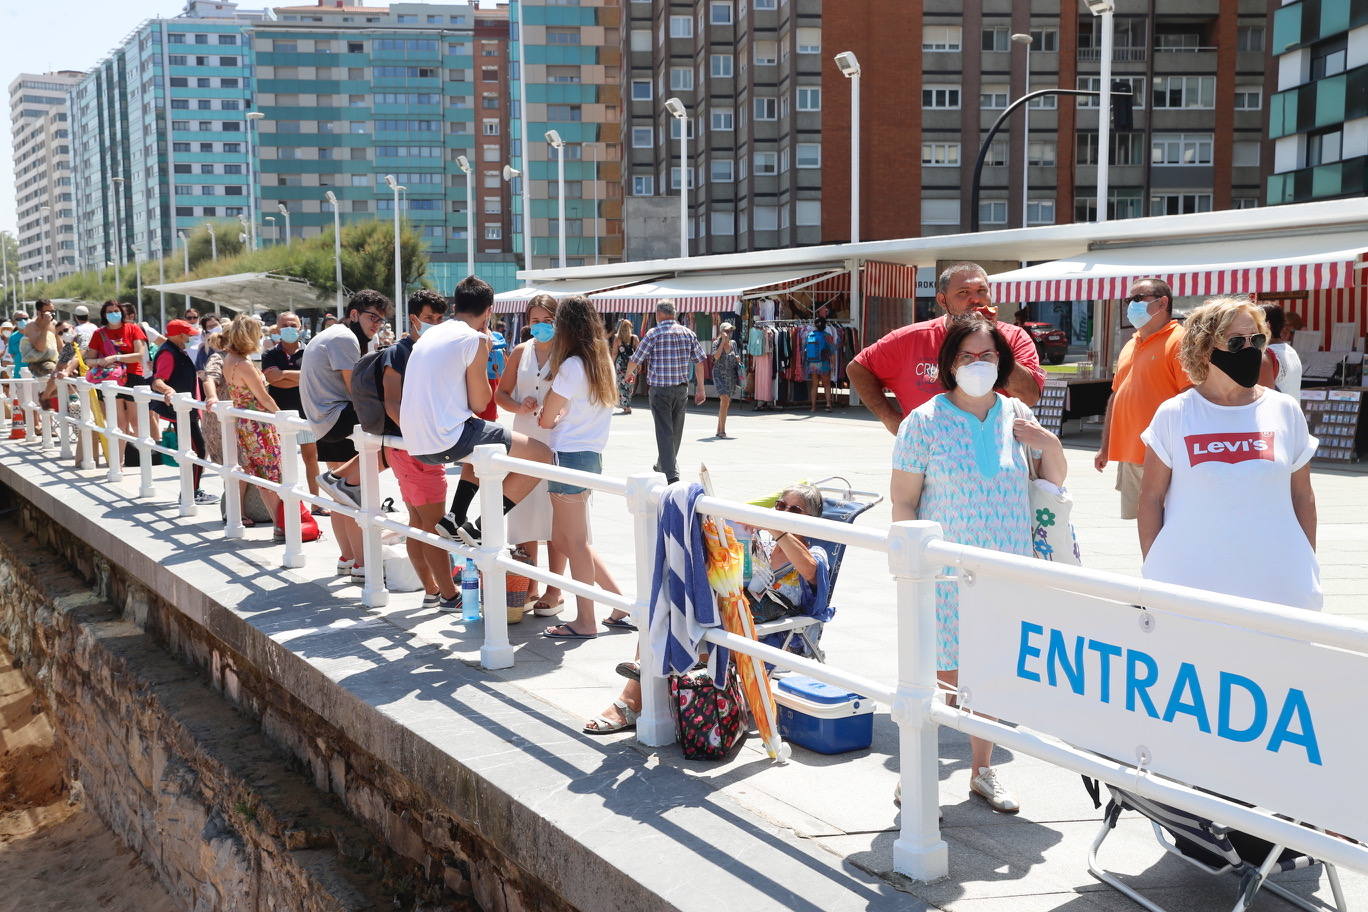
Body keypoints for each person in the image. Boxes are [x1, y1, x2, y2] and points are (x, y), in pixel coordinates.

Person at [890, 315, 1067, 814]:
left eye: (986, 355)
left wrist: (1049, 445)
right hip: (943, 571)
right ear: (948, 362)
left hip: (1006, 565)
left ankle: (981, 770)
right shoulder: (922, 421)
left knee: (989, 673)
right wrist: (910, 566)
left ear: (1002, 362)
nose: (976, 364)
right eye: (966, 355)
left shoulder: (1017, 414)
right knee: (942, 675)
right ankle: (917, 771)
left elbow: (1052, 482)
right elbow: (903, 500)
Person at [1138, 298, 1320, 610]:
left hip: (1278, 584)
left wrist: (1306, 562)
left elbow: (1303, 496)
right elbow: (1151, 499)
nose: (1250, 349)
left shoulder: (1284, 410)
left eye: (1257, 339)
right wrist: (1156, 569)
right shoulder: (1175, 414)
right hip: (1193, 584)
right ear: (1205, 348)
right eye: (1236, 342)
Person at [399, 275, 554, 547]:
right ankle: (484, 525)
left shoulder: (430, 333)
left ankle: (455, 516)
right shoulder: (474, 340)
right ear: (489, 310)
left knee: (480, 438)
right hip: (446, 438)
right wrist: (483, 351)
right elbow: (481, 403)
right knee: (542, 456)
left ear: (455, 305)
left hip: (414, 441)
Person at [849, 263, 1045, 434]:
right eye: (963, 293)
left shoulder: (1013, 337)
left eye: (981, 291)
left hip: (998, 454)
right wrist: (890, 419)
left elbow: (1029, 397)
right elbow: (858, 368)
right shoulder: (910, 339)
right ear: (943, 301)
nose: (975, 299)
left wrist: (994, 340)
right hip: (927, 457)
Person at [535, 295, 631, 639]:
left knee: (572, 542)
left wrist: (552, 415)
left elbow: (547, 418)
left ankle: (586, 620)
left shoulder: (571, 366)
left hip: (568, 457)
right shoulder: (601, 359)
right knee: (568, 538)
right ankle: (619, 602)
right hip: (590, 457)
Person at [376, 290, 460, 611]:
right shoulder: (401, 352)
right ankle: (449, 595)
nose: (436, 325)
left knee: (418, 521)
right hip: (414, 448)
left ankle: (431, 590)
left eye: (440, 319)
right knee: (435, 524)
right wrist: (419, 437)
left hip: (417, 447)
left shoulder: (434, 349)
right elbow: (392, 401)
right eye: (429, 319)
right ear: (413, 319)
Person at [301, 290, 391, 576]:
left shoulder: (335, 334)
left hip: (323, 422)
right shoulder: (344, 338)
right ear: (354, 314)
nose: (376, 324)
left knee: (340, 497)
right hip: (339, 418)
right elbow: (358, 390)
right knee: (356, 491)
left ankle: (348, 558)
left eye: (380, 319)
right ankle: (365, 565)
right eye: (371, 317)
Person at [1093, 278, 1190, 521]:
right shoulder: (1131, 343)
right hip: (1130, 454)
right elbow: (1117, 396)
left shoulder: (1179, 341)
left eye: (1138, 299)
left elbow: (1192, 399)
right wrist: (1105, 446)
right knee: (1144, 525)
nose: (1131, 305)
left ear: (1162, 303)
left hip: (1164, 456)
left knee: (1168, 524)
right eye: (1129, 300)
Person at [494, 294, 566, 617]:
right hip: (524, 438)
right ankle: (529, 584)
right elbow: (500, 395)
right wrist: (517, 405)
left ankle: (555, 588)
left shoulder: (567, 353)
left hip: (555, 440)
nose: (540, 327)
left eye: (546, 320)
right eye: (535, 320)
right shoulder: (521, 352)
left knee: (555, 516)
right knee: (524, 514)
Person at [622, 301, 707, 484]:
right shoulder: (688, 333)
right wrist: (700, 388)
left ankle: (671, 475)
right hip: (681, 390)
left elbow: (635, 359)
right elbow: (700, 361)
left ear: (659, 314)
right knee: (675, 432)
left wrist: (629, 375)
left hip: (660, 391)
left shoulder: (654, 333)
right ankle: (663, 465)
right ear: (674, 314)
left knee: (664, 433)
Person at [220, 317, 284, 532]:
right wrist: (282, 417)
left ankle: (279, 524)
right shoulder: (244, 364)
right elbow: (263, 398)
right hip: (259, 424)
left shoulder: (229, 359)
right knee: (271, 474)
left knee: (261, 474)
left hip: (245, 423)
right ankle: (281, 525)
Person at [262, 311, 327, 513]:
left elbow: (311, 378)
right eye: (285, 325)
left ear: (300, 327)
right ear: (278, 329)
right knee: (280, 460)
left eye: (293, 325)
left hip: (305, 412)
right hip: (279, 414)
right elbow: (272, 380)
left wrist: (283, 375)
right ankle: (286, 506)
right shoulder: (269, 354)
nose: (289, 328)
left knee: (311, 458)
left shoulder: (310, 352)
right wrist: (297, 376)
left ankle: (316, 502)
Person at [149, 319, 217, 505]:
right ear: (179, 335)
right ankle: (191, 492)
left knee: (194, 450)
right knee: (198, 450)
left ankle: (191, 490)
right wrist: (168, 391)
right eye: (187, 334)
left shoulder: (174, 349)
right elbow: (157, 381)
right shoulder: (169, 353)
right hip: (181, 411)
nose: (189, 337)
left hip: (186, 410)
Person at [86, 300, 148, 466]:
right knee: (119, 422)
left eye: (116, 310)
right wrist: (102, 361)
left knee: (136, 421)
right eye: (109, 311)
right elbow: (88, 359)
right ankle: (118, 462)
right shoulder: (99, 333)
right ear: (104, 315)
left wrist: (116, 357)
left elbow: (140, 354)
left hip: (133, 376)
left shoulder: (133, 328)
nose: (114, 314)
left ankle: (145, 462)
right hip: (111, 378)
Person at [1260, 303, 1303, 401]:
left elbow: (1263, 400)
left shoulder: (1266, 355)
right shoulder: (1291, 351)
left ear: (1266, 326)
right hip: (1292, 414)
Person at [198, 328, 228, 466]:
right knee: (229, 460)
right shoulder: (219, 357)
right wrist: (212, 397)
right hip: (221, 416)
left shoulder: (242, 357)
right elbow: (209, 378)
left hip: (234, 416)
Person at [712, 322, 741, 437]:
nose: (730, 333)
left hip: (730, 376)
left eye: (731, 331)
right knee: (724, 399)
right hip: (719, 374)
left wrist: (738, 359)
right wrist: (723, 342)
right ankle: (722, 431)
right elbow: (716, 357)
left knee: (725, 403)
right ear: (722, 331)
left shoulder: (733, 343)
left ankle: (719, 429)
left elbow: (736, 359)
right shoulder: (716, 342)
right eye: (727, 331)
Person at [804, 316, 835, 413]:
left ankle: (813, 407)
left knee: (814, 385)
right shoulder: (827, 336)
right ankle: (828, 405)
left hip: (812, 362)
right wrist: (833, 364)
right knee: (826, 384)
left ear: (815, 325)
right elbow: (832, 351)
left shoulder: (810, 335)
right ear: (825, 325)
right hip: (823, 362)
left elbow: (805, 349)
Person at [610, 319, 639, 414]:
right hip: (632, 364)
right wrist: (639, 365)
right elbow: (638, 353)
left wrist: (611, 364)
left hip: (620, 365)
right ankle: (627, 405)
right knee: (630, 385)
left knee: (621, 384)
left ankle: (626, 405)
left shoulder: (617, 339)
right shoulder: (634, 338)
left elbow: (614, 353)